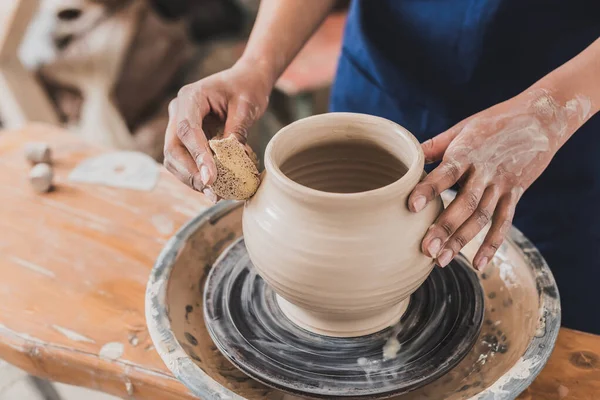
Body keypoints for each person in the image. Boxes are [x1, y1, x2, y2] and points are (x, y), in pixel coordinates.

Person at [163, 1, 600, 333]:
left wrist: (549, 113)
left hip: (555, 127)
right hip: (383, 88)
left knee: (549, 329)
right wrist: (255, 67)